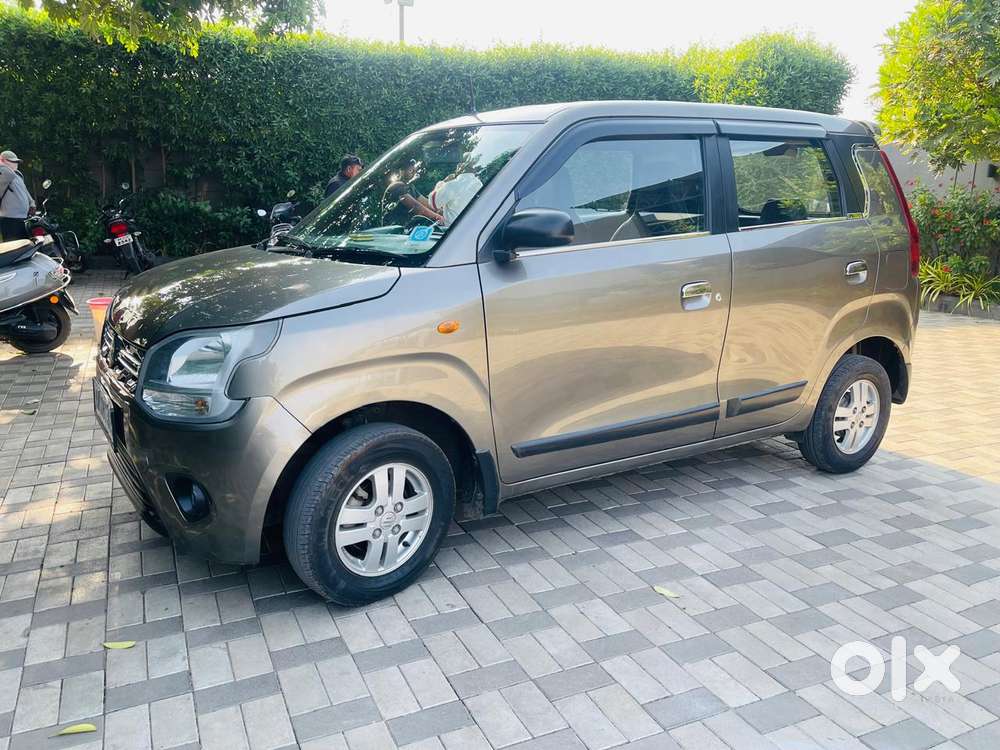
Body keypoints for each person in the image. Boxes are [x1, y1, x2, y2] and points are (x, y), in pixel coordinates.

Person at [381, 159, 443, 227]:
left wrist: (442, 211)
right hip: (395, 231)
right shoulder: (396, 186)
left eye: (414, 171)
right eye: (410, 170)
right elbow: (416, 207)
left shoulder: (410, 187)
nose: (413, 173)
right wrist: (440, 218)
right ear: (401, 171)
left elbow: (428, 204)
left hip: (407, 229)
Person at [0, 150, 34, 241]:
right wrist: (2, 166)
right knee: (14, 249)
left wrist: (31, 203)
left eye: (17, 162)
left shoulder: (18, 175)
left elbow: (24, 191)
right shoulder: (4, 173)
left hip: (23, 219)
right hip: (10, 219)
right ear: (2, 160)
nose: (16, 164)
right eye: (13, 161)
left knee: (26, 246)